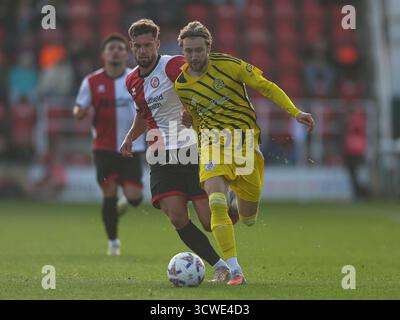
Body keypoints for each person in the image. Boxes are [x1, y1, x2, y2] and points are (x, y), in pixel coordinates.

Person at [175, 21, 315, 285]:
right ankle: (234, 269)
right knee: (215, 201)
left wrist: (295, 112)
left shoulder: (230, 65)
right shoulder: (181, 85)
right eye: (188, 51)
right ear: (182, 50)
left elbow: (266, 86)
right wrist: (190, 125)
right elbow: (195, 117)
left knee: (248, 218)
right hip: (212, 145)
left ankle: (237, 204)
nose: (194, 56)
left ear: (208, 47)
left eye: (198, 50)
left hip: (245, 145)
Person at [120, 19, 233, 282]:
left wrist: (192, 111)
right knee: (177, 216)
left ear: (157, 44)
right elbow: (142, 114)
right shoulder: (131, 80)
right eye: (138, 46)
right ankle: (220, 266)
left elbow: (200, 87)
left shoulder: (171, 65)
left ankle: (234, 203)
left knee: (208, 221)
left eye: (148, 45)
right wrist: (129, 138)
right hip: (160, 152)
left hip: (192, 148)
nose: (143, 50)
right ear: (132, 47)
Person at [73, 33, 146, 256]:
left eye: (120, 48)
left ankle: (127, 200)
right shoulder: (92, 81)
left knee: (134, 198)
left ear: (127, 53)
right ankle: (113, 242)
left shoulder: (136, 78)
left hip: (133, 147)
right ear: (104, 54)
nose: (116, 51)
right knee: (109, 194)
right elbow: (79, 107)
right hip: (103, 148)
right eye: (111, 48)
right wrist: (80, 112)